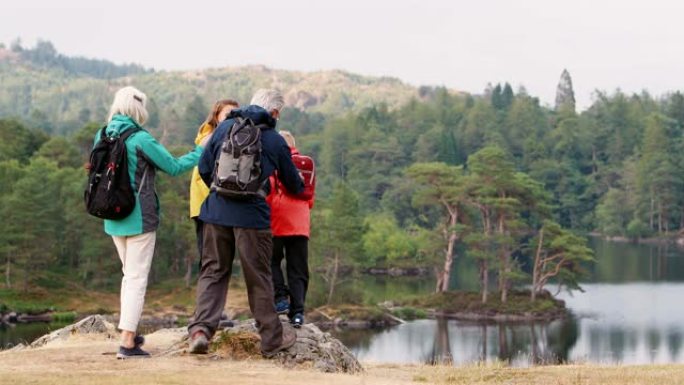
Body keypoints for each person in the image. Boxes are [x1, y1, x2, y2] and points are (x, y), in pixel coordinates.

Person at [188, 89, 304, 357]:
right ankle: (272, 339)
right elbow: (293, 184)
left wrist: (221, 196)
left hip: (215, 212)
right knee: (259, 277)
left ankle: (200, 331)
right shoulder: (275, 140)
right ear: (274, 113)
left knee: (213, 271)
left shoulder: (225, 127)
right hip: (252, 218)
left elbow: (204, 168)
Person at [95, 86, 203, 359]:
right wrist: (202, 151)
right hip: (140, 217)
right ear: (138, 108)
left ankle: (128, 333)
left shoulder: (102, 134)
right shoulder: (141, 139)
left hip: (111, 216)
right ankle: (127, 342)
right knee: (136, 279)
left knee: (128, 277)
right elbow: (175, 166)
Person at [267, 131, 315, 328]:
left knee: (272, 262)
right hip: (300, 224)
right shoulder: (305, 165)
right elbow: (310, 199)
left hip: (276, 221)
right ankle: (297, 313)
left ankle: (280, 300)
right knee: (298, 269)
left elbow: (268, 192)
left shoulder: (273, 161)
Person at [189, 99, 240, 257]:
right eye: (227, 114)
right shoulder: (208, 134)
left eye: (235, 114)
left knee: (223, 254)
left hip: (223, 204)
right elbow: (203, 145)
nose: (232, 118)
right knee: (207, 253)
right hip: (204, 202)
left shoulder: (235, 136)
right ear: (216, 116)